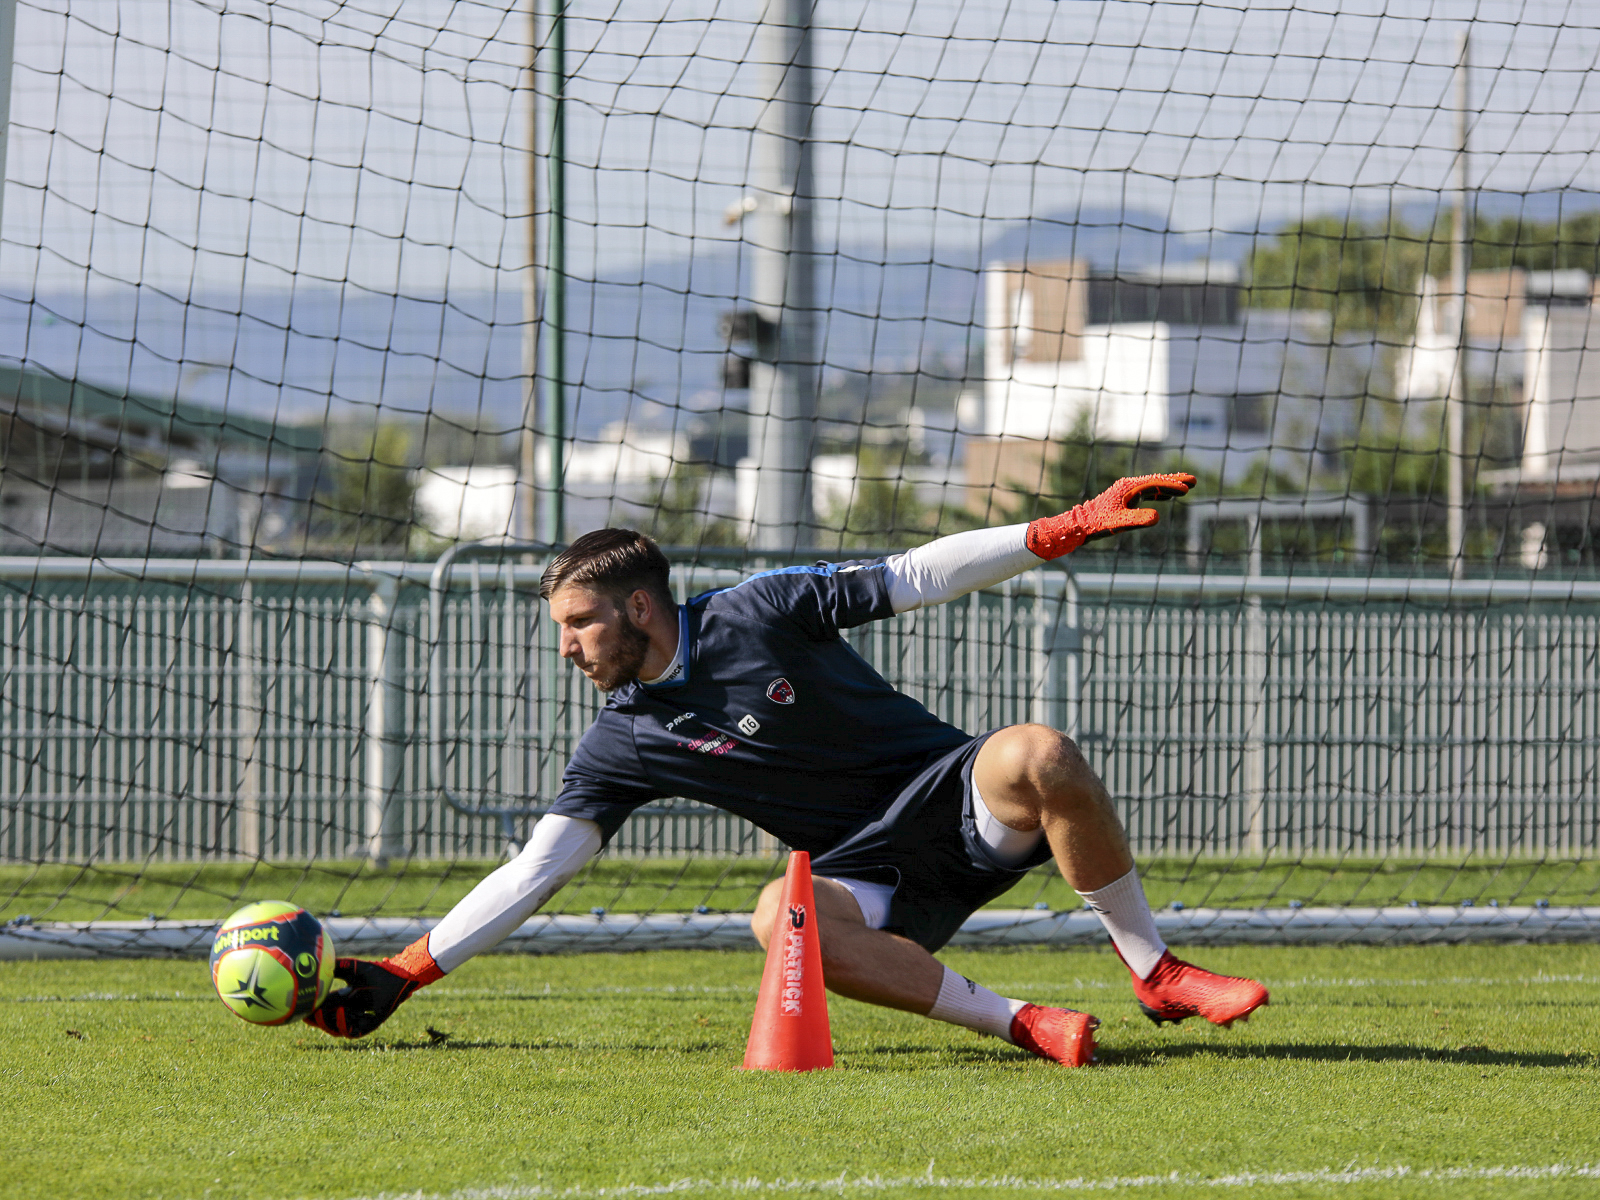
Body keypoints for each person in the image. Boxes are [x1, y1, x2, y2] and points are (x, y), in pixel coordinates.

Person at [307, 473, 1268, 1065]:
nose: (566, 648)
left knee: (1040, 750)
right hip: (864, 878)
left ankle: (1155, 970)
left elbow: (913, 575)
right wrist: (406, 971)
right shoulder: (622, 738)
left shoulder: (758, 611)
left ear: (638, 608)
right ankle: (1024, 1024)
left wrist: (1052, 532)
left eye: (577, 624)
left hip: (957, 800)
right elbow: (536, 870)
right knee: (780, 918)